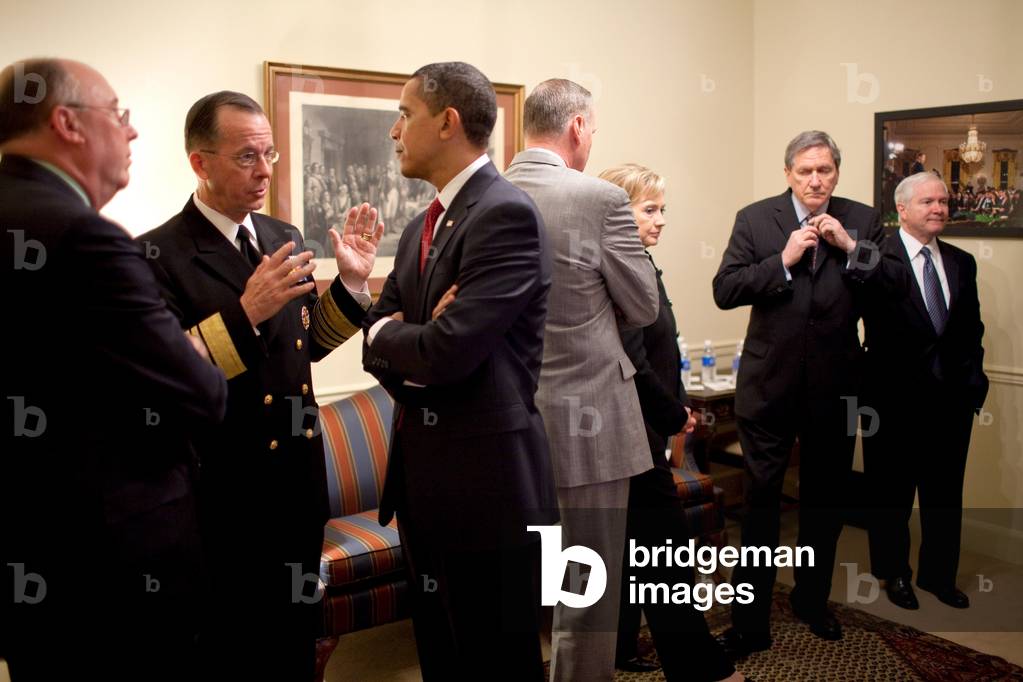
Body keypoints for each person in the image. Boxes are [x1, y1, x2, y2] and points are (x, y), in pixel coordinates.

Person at [137, 90, 382, 680]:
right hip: (223, 490)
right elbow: (173, 379)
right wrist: (243, 314)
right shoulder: (157, 253)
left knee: (294, 645)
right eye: (247, 157)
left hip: (296, 483)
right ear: (200, 161)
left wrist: (349, 287)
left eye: (269, 154)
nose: (266, 171)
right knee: (232, 650)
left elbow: (305, 348)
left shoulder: (282, 235)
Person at [1, 58, 228, 681]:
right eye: (118, 114)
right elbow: (200, 392)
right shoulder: (88, 238)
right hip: (112, 564)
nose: (130, 132)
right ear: (67, 123)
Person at [361, 62, 557, 681]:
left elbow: (449, 350)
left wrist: (400, 334)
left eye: (404, 114)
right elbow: (374, 342)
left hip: (489, 490)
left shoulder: (505, 214)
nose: (394, 131)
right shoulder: (422, 222)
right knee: (443, 661)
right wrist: (404, 336)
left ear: (447, 122)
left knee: (497, 665)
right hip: (423, 486)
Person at [505, 79, 659, 682]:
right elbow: (643, 305)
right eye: (592, 130)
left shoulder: (482, 194)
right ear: (575, 127)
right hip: (590, 419)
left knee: (519, 581)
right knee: (586, 588)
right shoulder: (598, 199)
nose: (592, 141)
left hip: (508, 421)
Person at [712, 130, 883, 655]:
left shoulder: (864, 219)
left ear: (836, 173)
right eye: (805, 170)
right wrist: (781, 260)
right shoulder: (755, 218)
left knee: (824, 505)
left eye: (825, 170)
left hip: (835, 389)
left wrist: (851, 248)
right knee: (761, 506)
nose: (816, 180)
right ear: (787, 172)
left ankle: (813, 601)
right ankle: (750, 620)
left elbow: (889, 285)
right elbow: (725, 290)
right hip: (769, 388)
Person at [600, 164, 746, 682]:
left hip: (646, 429)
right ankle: (701, 668)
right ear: (619, 212)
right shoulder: (622, 268)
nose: (661, 221)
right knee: (665, 559)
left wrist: (676, 407)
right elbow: (633, 361)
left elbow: (665, 352)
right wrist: (674, 412)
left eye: (663, 210)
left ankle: (619, 647)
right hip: (630, 434)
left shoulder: (640, 262)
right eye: (650, 210)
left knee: (637, 552)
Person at [860, 173, 988, 611]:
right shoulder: (877, 258)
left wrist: (974, 386)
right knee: (891, 496)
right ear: (902, 210)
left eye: (943, 201)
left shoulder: (961, 261)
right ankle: (894, 574)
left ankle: (939, 577)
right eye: (928, 201)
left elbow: (971, 329)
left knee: (945, 496)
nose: (939, 208)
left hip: (950, 403)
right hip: (891, 403)